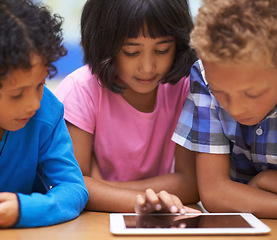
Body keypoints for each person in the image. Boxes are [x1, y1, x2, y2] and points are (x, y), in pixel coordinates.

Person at [54, 0, 199, 214]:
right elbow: (72, 186)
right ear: (104, 43)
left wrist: (104, 190)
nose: (148, 67)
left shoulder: (186, 87)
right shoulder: (81, 90)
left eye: (162, 50)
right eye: (131, 52)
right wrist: (143, 200)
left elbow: (190, 184)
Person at [172, 0, 277, 218]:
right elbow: (215, 194)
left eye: (252, 93)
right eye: (220, 93)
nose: (236, 109)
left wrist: (261, 184)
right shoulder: (204, 74)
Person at [0, 0, 88, 228]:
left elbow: (74, 189)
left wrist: (23, 209)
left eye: (40, 85)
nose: (33, 104)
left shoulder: (47, 112)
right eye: (17, 94)